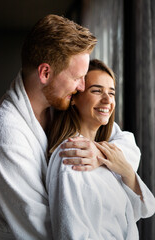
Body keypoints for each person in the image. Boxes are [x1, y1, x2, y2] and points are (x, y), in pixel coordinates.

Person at [0, 14, 140, 240]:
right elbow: (38, 228)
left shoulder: (60, 102)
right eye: (77, 78)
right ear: (45, 73)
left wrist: (100, 153)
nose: (82, 87)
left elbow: (124, 140)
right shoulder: (6, 134)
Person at [46, 59, 155, 240]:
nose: (107, 100)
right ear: (74, 97)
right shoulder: (71, 156)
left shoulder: (105, 149)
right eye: (96, 91)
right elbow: (72, 234)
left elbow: (138, 210)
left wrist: (127, 171)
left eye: (111, 93)